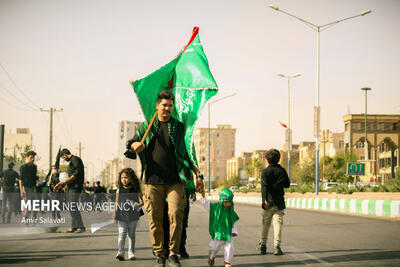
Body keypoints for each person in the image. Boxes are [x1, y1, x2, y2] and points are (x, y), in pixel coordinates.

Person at [127, 90, 204, 267]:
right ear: (157, 106)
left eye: (170, 105)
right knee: (155, 219)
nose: (167, 108)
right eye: (164, 105)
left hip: (176, 180)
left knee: (176, 215)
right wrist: (134, 145)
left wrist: (198, 174)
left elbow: (187, 153)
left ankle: (173, 253)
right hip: (152, 181)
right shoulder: (147, 126)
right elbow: (133, 142)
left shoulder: (179, 127)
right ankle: (160, 254)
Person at [257, 149, 290, 256]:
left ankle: (263, 245)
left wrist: (264, 200)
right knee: (278, 224)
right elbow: (287, 185)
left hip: (268, 203)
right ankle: (277, 247)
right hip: (279, 203)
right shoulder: (282, 171)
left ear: (267, 160)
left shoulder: (265, 171)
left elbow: (264, 188)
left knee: (265, 224)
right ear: (278, 159)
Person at [200, 188, 239, 267]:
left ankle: (227, 262)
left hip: (228, 234)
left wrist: (234, 231)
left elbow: (234, 222)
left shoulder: (232, 212)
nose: (228, 204)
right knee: (214, 248)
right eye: (226, 202)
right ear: (221, 200)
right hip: (218, 233)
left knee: (230, 248)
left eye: (229, 202)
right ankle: (211, 257)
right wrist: (203, 195)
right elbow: (206, 204)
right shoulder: (215, 208)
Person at [112, 168, 144, 261]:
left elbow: (144, 201)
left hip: (133, 215)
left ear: (131, 178)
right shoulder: (119, 189)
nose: (124, 180)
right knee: (121, 234)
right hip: (121, 214)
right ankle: (120, 252)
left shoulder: (136, 189)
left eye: (126, 178)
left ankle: (131, 252)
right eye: (122, 178)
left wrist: (138, 205)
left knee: (131, 234)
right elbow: (116, 202)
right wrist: (114, 212)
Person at [54, 148, 85, 233]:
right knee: (71, 207)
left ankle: (80, 226)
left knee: (73, 206)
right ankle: (74, 226)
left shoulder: (75, 159)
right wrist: (65, 185)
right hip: (70, 187)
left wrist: (62, 183)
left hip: (75, 187)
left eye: (63, 158)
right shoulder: (72, 161)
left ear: (64, 154)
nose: (64, 160)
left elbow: (75, 175)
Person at [20, 150, 39, 221]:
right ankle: (26, 218)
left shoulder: (34, 167)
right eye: (31, 157)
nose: (33, 159)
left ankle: (34, 218)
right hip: (26, 188)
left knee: (35, 203)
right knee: (26, 204)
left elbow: (34, 177)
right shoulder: (23, 167)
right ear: (27, 157)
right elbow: (20, 180)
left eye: (33, 157)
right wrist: (21, 190)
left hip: (33, 188)